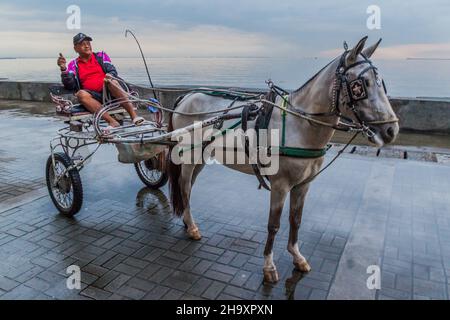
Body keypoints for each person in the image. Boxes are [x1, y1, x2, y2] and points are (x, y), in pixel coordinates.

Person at [57, 33, 144, 130]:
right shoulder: (73, 64)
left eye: (88, 43)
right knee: (81, 94)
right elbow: (70, 85)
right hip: (94, 98)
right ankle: (112, 122)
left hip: (110, 93)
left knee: (112, 81)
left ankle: (134, 116)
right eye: (82, 44)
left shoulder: (101, 56)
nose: (87, 46)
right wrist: (63, 69)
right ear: (75, 48)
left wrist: (110, 76)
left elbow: (112, 71)